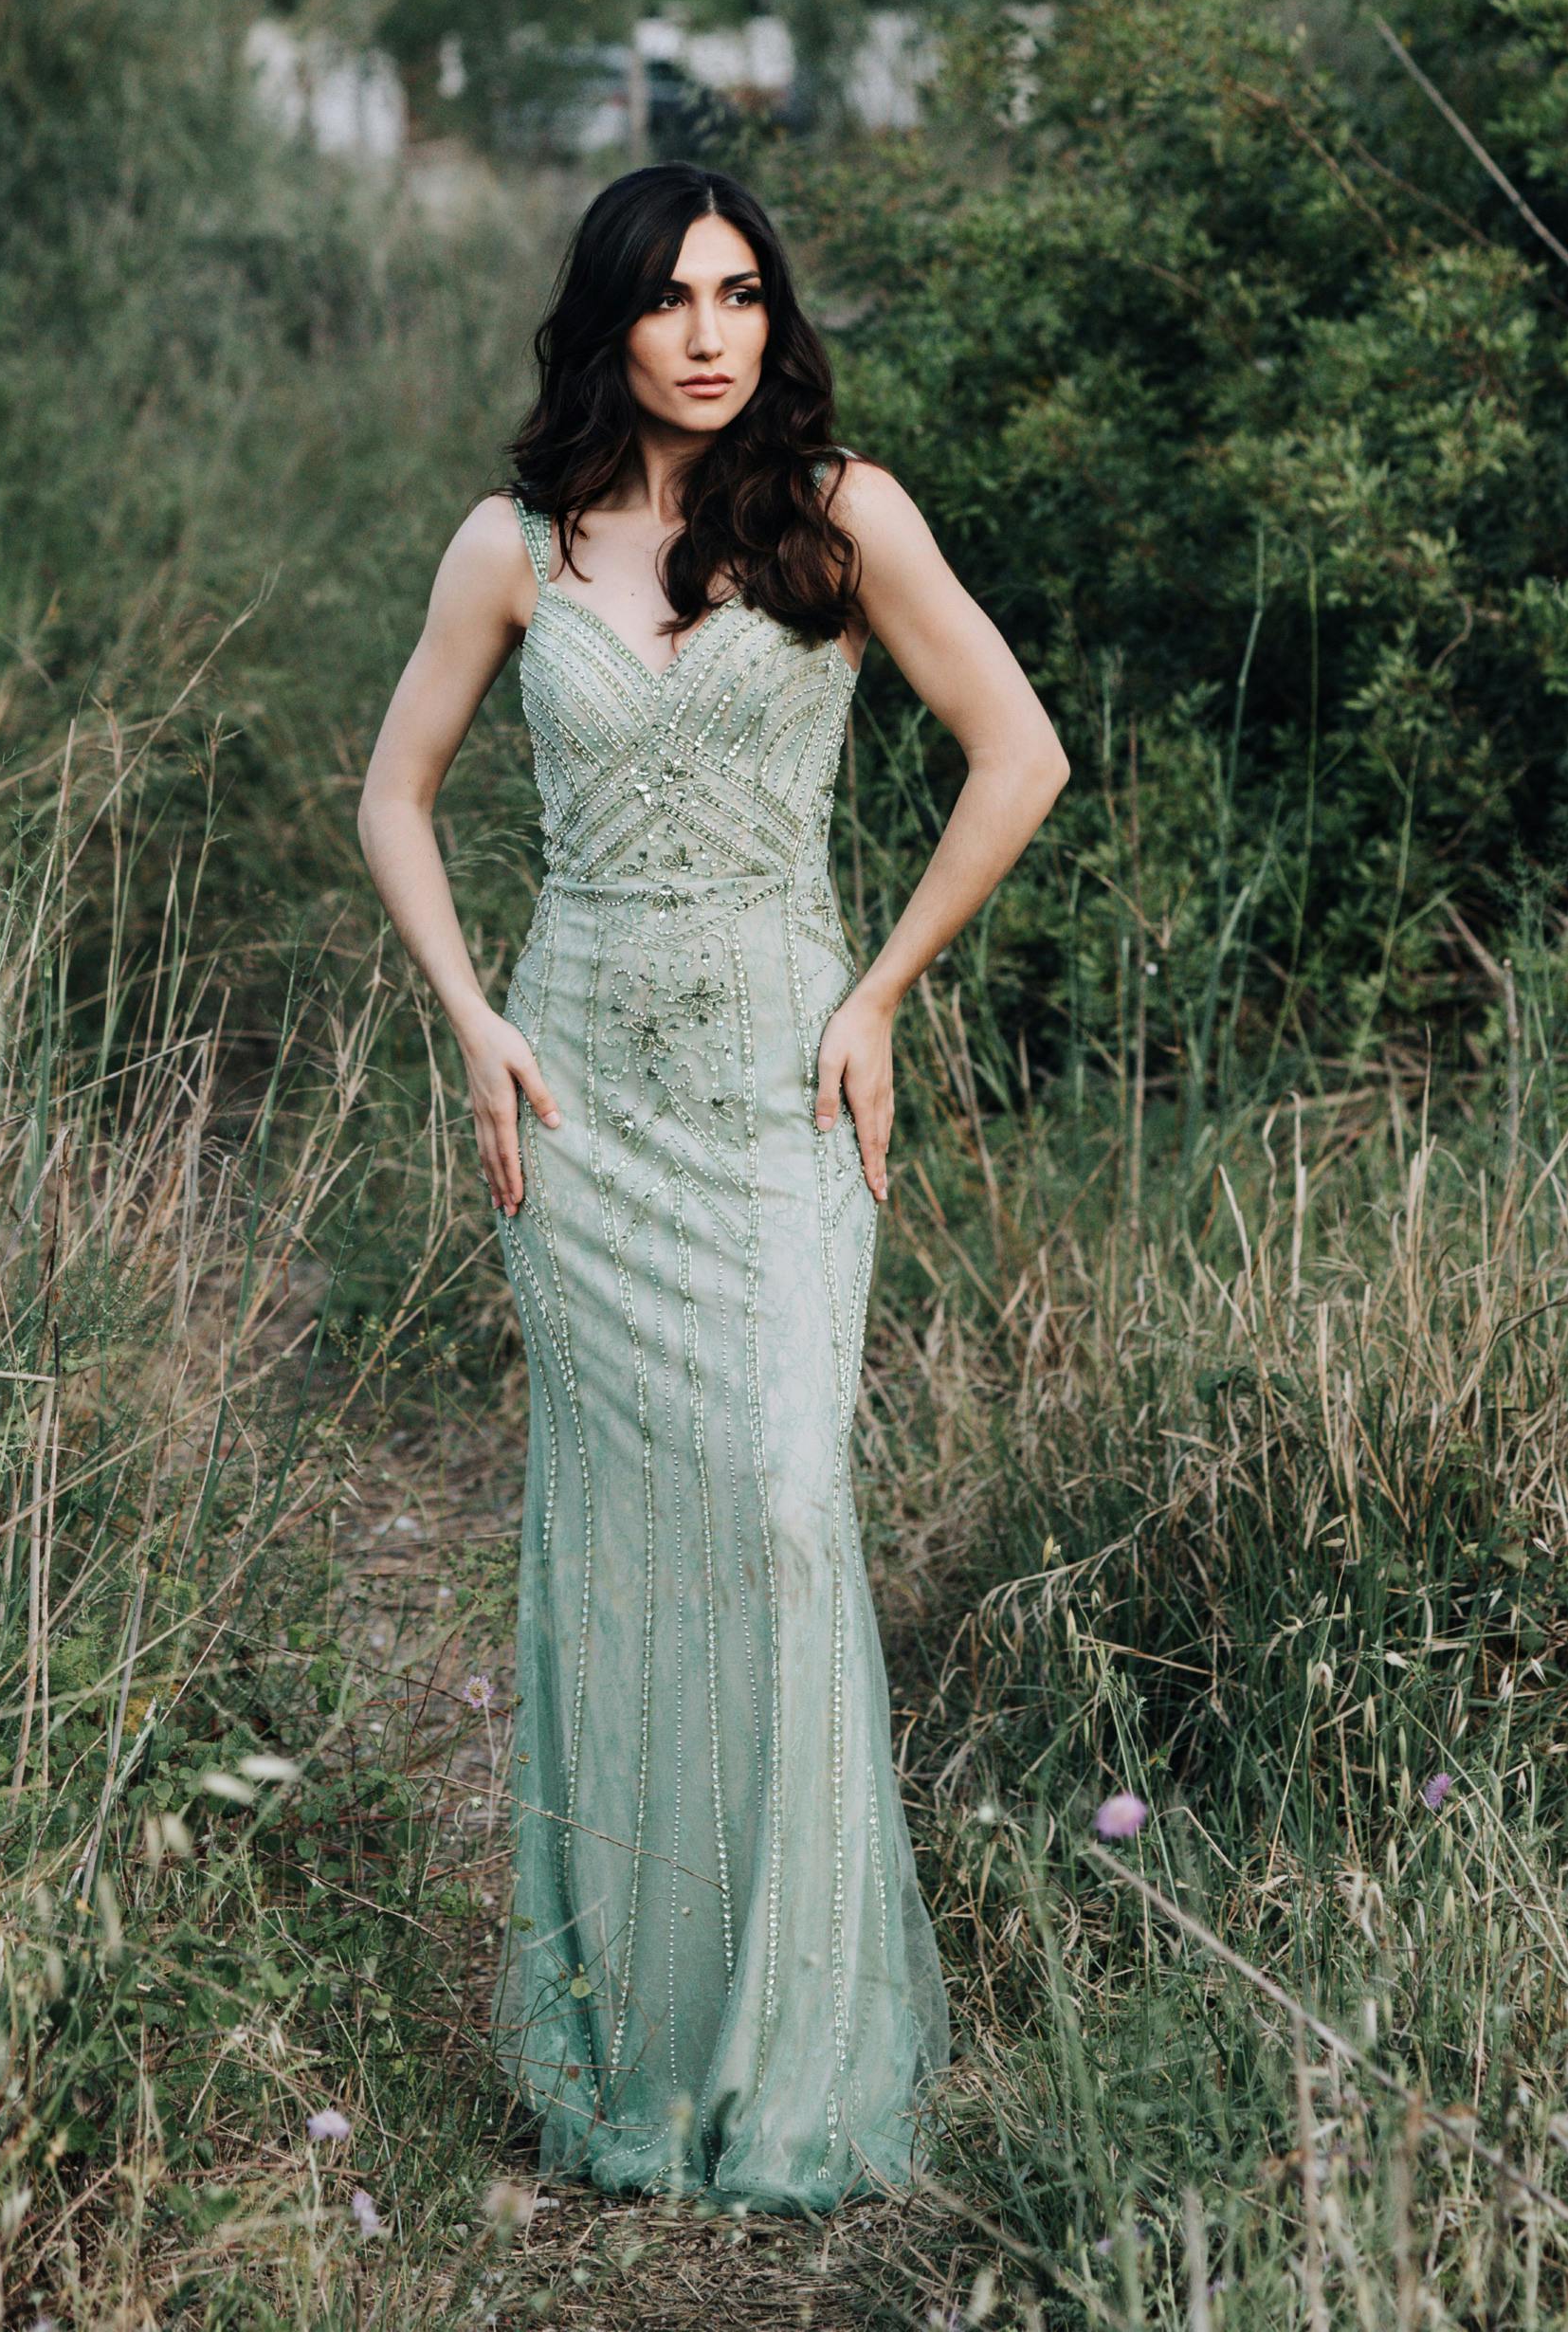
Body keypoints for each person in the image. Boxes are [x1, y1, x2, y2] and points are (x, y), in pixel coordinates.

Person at [357, 163, 1068, 2210]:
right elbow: (395, 793)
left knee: (775, 1499)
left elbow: (1014, 751)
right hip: (579, 1104)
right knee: (625, 1549)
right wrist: (473, 1018)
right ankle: (636, 2051)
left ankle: (795, 2045)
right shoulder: (508, 547)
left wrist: (882, 992)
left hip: (778, 1082)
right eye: (671, 298)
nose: (710, 332)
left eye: (743, 294)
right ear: (609, 322)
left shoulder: (841, 513)